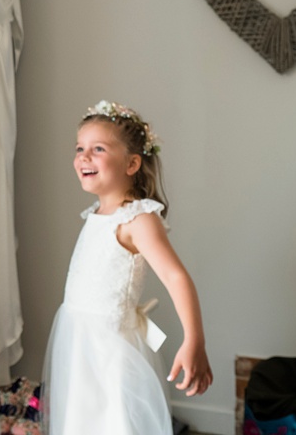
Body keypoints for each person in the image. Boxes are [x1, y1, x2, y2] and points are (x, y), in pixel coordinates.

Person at [42, 100, 213, 434]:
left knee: (114, 421)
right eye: (80, 148)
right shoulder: (96, 214)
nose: (83, 157)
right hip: (79, 342)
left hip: (110, 347)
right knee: (82, 420)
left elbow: (175, 277)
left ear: (132, 163)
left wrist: (195, 340)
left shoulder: (137, 218)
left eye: (98, 148)